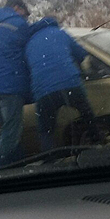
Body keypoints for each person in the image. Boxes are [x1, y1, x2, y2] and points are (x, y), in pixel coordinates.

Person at [26, 17, 100, 151]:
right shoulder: (60, 33)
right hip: (70, 84)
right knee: (87, 114)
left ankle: (49, 159)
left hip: (44, 92)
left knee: (45, 129)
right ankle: (96, 145)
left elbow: (28, 69)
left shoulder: (29, 44)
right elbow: (81, 54)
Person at [0, 0, 31, 167]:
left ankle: (21, 165)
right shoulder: (17, 23)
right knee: (11, 132)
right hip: (10, 85)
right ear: (17, 8)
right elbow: (32, 35)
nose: (25, 19)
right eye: (24, 15)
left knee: (9, 130)